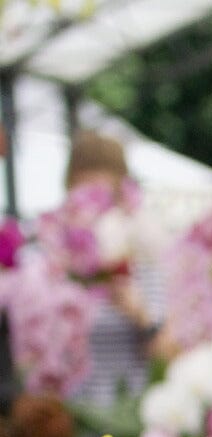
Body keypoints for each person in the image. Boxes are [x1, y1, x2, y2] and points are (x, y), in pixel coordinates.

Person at [61, 130, 167, 410]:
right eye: (86, 194)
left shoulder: (139, 255)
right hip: (68, 418)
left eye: (103, 195)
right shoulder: (55, 259)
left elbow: (166, 351)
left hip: (127, 418)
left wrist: (138, 312)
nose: (93, 208)